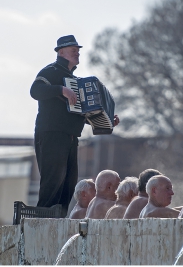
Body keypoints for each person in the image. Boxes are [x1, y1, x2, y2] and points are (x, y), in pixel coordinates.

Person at [30, 35, 120, 217]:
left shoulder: (74, 79)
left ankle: (58, 222)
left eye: (78, 50)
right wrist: (60, 89)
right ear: (61, 52)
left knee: (68, 185)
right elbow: (35, 91)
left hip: (69, 138)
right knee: (52, 183)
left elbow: (78, 112)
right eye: (73, 50)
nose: (77, 53)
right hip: (52, 135)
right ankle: (40, 224)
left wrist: (108, 121)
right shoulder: (51, 71)